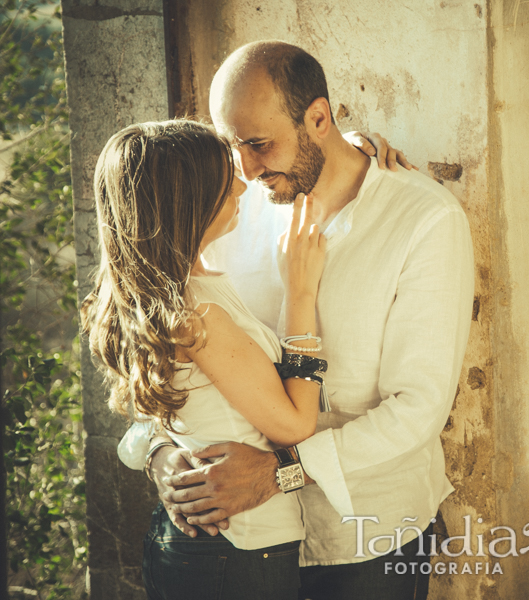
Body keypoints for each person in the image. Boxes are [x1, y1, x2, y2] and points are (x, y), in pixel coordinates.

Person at [122, 41, 475, 599]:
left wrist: (279, 471)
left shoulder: (423, 219)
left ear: (319, 118)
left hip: (365, 540)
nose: (243, 167)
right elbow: (166, 357)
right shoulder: (227, 211)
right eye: (232, 145)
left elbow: (419, 409)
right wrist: (159, 454)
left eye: (259, 144)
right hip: (237, 547)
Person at [82, 119, 336, 599]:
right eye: (225, 177)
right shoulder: (197, 316)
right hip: (236, 554)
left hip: (204, 545)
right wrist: (301, 294)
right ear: (188, 200)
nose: (242, 181)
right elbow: (296, 426)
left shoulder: (163, 298)